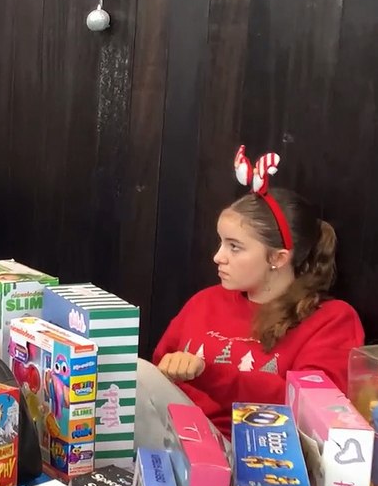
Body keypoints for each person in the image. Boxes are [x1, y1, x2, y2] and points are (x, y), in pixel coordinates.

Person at [153, 178, 364, 436]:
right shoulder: (205, 301)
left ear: (278, 257)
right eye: (221, 243)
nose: (218, 257)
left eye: (234, 247)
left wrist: (207, 373)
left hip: (256, 450)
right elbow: (158, 372)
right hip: (175, 436)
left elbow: (309, 413)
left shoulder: (332, 321)